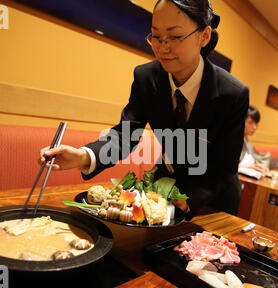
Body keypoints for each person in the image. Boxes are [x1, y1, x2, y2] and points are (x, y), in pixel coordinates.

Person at [39, 0, 249, 215]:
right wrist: (84, 156)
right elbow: (125, 134)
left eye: (175, 37)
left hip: (210, 200)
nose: (162, 47)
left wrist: (189, 200)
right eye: (156, 36)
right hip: (162, 189)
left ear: (204, 36)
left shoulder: (232, 94)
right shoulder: (147, 77)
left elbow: (225, 166)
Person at [238, 105, 266, 174]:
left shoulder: (249, 145)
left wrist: (260, 168)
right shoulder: (234, 141)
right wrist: (248, 167)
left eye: (256, 123)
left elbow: (252, 164)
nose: (254, 127)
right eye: (250, 122)